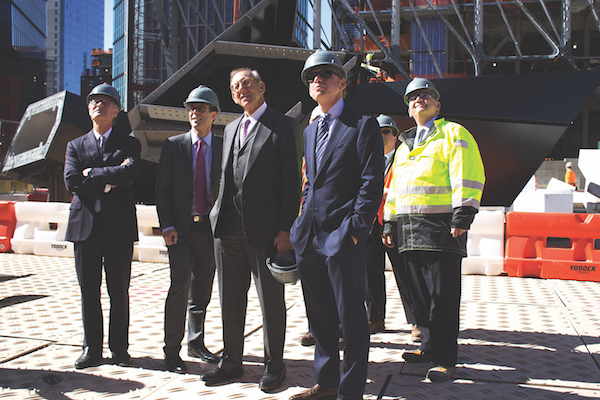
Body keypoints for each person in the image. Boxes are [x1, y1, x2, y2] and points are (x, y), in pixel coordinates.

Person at [289, 50, 384, 400]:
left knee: (352, 321)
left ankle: (351, 392)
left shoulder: (363, 125)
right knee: (321, 319)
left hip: (344, 238)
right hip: (310, 238)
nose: (318, 80)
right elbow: (311, 183)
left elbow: (371, 182)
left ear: (342, 83)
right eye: (313, 76)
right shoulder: (311, 129)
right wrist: (301, 223)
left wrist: (357, 231)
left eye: (326, 74)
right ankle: (326, 384)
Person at [204, 68, 302, 392]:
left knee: (270, 303)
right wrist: (216, 213)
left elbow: (291, 184)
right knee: (230, 301)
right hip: (227, 230)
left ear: (262, 86)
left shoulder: (283, 125)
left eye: (246, 83)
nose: (241, 90)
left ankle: (275, 367)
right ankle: (231, 362)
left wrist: (285, 229)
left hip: (265, 232)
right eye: (235, 87)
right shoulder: (231, 128)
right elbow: (226, 175)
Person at [382, 77, 485, 382]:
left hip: (441, 229)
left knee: (442, 295)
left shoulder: (453, 133)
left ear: (437, 105)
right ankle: (427, 345)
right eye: (413, 98)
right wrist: (389, 221)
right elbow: (395, 187)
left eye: (426, 96)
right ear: (408, 108)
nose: (419, 100)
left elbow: (467, 172)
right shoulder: (404, 144)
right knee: (420, 296)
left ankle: (444, 358)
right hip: (410, 230)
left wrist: (463, 215)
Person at [64, 83, 141, 369]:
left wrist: (93, 174)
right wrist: (109, 180)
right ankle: (91, 349)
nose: (100, 105)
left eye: (107, 102)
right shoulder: (74, 145)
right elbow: (72, 182)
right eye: (95, 101)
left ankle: (119, 348)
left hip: (118, 228)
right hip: (85, 229)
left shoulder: (129, 143)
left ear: (116, 110)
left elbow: (129, 173)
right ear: (88, 109)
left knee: (118, 291)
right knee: (89, 292)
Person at [155, 85, 223, 373]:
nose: (195, 113)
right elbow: (162, 190)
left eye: (201, 108)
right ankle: (172, 350)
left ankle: (196, 343)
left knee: (202, 291)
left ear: (213, 114)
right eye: (191, 108)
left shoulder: (223, 146)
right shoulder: (174, 145)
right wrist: (167, 225)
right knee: (179, 286)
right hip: (180, 230)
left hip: (210, 231)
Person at [366, 114, 419, 340]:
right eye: (377, 133)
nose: (381, 136)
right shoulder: (367, 160)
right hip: (370, 224)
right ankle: (375, 318)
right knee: (370, 273)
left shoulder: (404, 156)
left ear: (396, 135)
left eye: (386, 131)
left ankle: (417, 320)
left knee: (406, 273)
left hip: (396, 223)